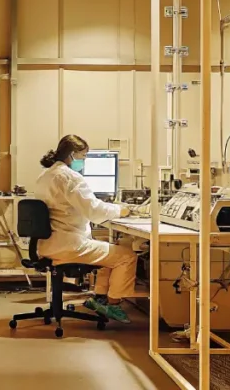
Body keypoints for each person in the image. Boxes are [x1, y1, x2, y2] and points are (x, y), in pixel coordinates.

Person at [33, 134, 137, 323]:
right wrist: (121, 210)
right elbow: (94, 211)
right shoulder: (69, 177)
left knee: (107, 247)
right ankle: (113, 304)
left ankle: (99, 297)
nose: (84, 161)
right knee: (126, 256)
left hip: (47, 245)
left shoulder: (45, 175)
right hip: (68, 246)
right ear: (72, 155)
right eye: (84, 156)